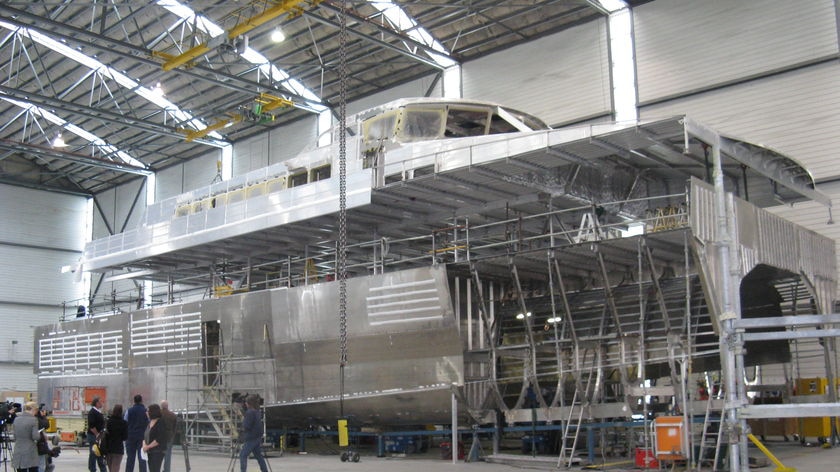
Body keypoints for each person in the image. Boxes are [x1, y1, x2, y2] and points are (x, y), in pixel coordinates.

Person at [239, 395, 268, 472]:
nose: (245, 404)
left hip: (251, 437)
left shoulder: (250, 413)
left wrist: (243, 424)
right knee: (258, 456)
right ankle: (265, 470)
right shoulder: (257, 411)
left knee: (243, 455)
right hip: (257, 437)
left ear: (248, 403)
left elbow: (247, 426)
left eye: (246, 402)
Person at [12, 402, 40, 472]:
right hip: (30, 449)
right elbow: (35, 437)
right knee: (33, 468)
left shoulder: (16, 419)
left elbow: (14, 436)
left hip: (18, 448)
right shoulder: (33, 420)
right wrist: (39, 434)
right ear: (33, 410)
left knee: (21, 469)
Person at [125, 394, 149, 472]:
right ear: (142, 401)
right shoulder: (145, 411)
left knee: (130, 458)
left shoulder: (129, 410)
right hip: (142, 437)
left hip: (130, 436)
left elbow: (125, 422)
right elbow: (148, 423)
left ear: (134, 401)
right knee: (142, 457)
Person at [141, 404, 167, 472]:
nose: (146, 412)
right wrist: (144, 445)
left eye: (148, 411)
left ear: (153, 412)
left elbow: (159, 438)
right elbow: (145, 435)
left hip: (157, 451)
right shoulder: (150, 422)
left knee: (155, 469)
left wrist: (148, 446)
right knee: (151, 469)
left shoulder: (160, 422)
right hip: (149, 451)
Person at [104, 404, 128, 472]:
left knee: (110, 468)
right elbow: (125, 437)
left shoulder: (109, 422)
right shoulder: (124, 423)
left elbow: (106, 435)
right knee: (115, 467)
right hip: (118, 448)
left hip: (109, 448)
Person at [87, 397, 107, 472]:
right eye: (100, 402)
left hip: (99, 436)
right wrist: (97, 434)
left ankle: (103, 469)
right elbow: (91, 426)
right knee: (93, 453)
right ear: (97, 403)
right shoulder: (92, 412)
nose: (102, 403)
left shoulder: (99, 412)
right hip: (93, 436)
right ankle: (92, 469)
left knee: (100, 453)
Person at [159, 401, 177, 472]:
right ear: (167, 406)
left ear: (161, 406)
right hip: (169, 437)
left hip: (159, 437)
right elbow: (175, 427)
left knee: (158, 455)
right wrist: (172, 435)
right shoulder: (173, 415)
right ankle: (166, 470)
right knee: (168, 455)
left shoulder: (158, 414)